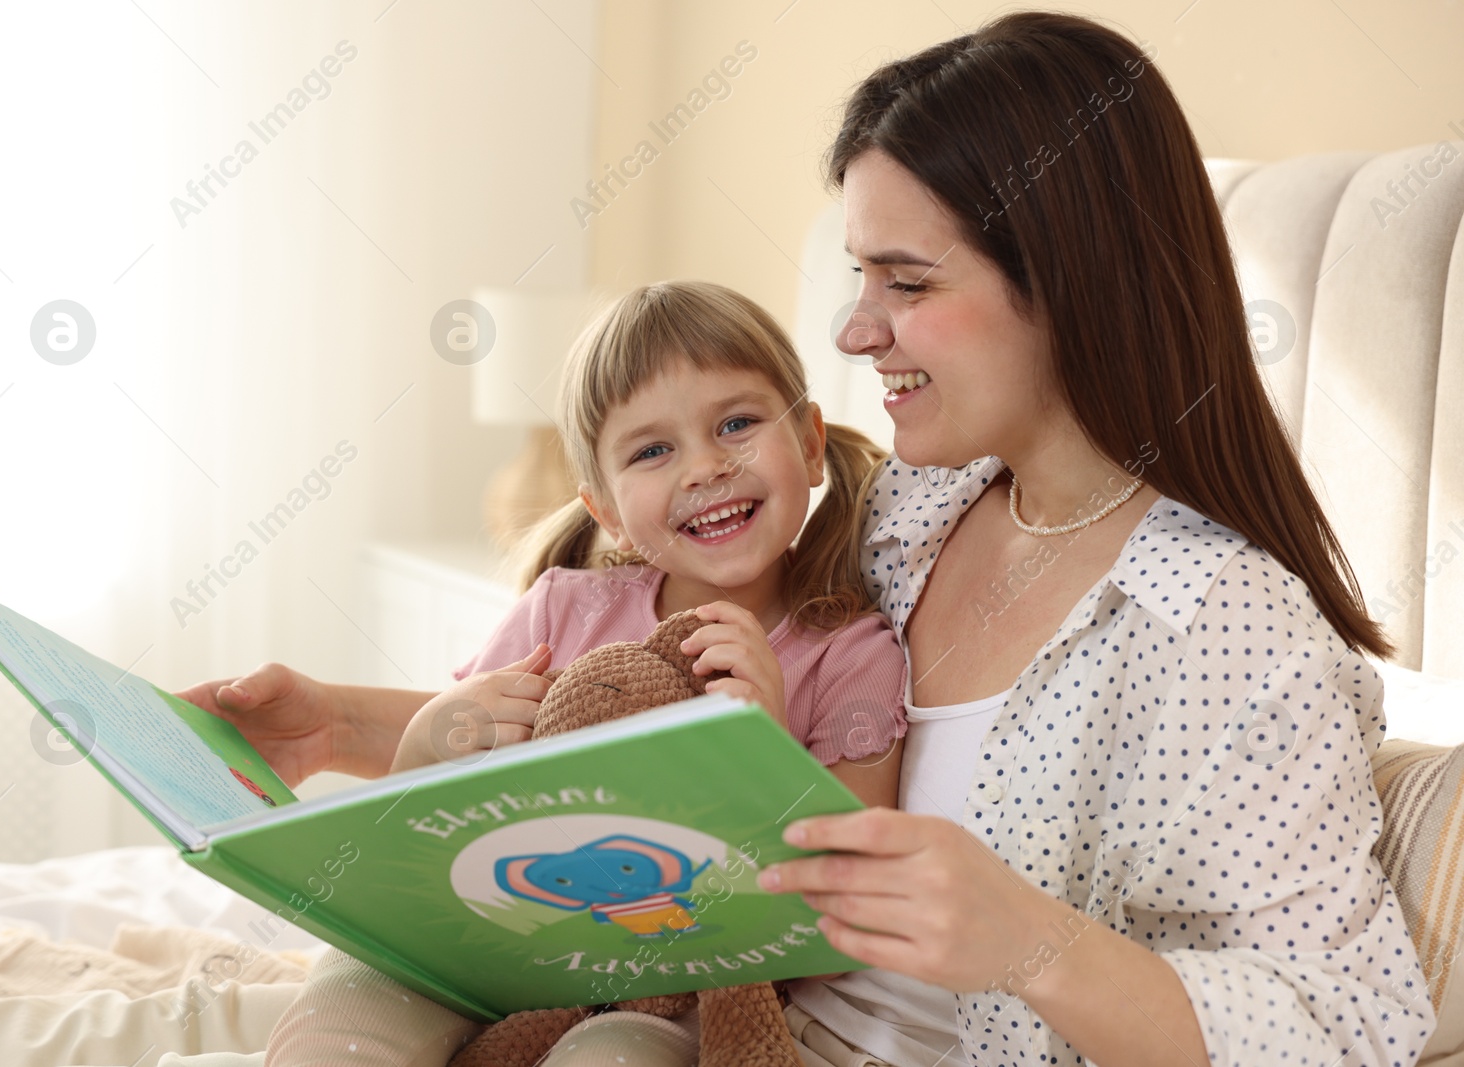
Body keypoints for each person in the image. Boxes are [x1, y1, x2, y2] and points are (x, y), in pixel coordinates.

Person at [179, 11, 1437, 1066]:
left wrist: (1031, 941)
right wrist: (340, 726)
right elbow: (611, 716)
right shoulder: (901, 515)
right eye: (856, 277)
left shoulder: (1224, 628)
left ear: (1065, 273)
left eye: (905, 282)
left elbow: (1350, 1024)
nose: (851, 331)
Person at [240, 278, 908, 1065]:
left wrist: (762, 755)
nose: (704, 466)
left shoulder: (853, 652)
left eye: (736, 423)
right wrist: (430, 738)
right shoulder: (564, 611)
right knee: (346, 1005)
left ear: (806, 439)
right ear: (605, 508)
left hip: (677, 992)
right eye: (653, 450)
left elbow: (844, 924)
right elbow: (430, 825)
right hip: (489, 948)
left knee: (611, 1053)